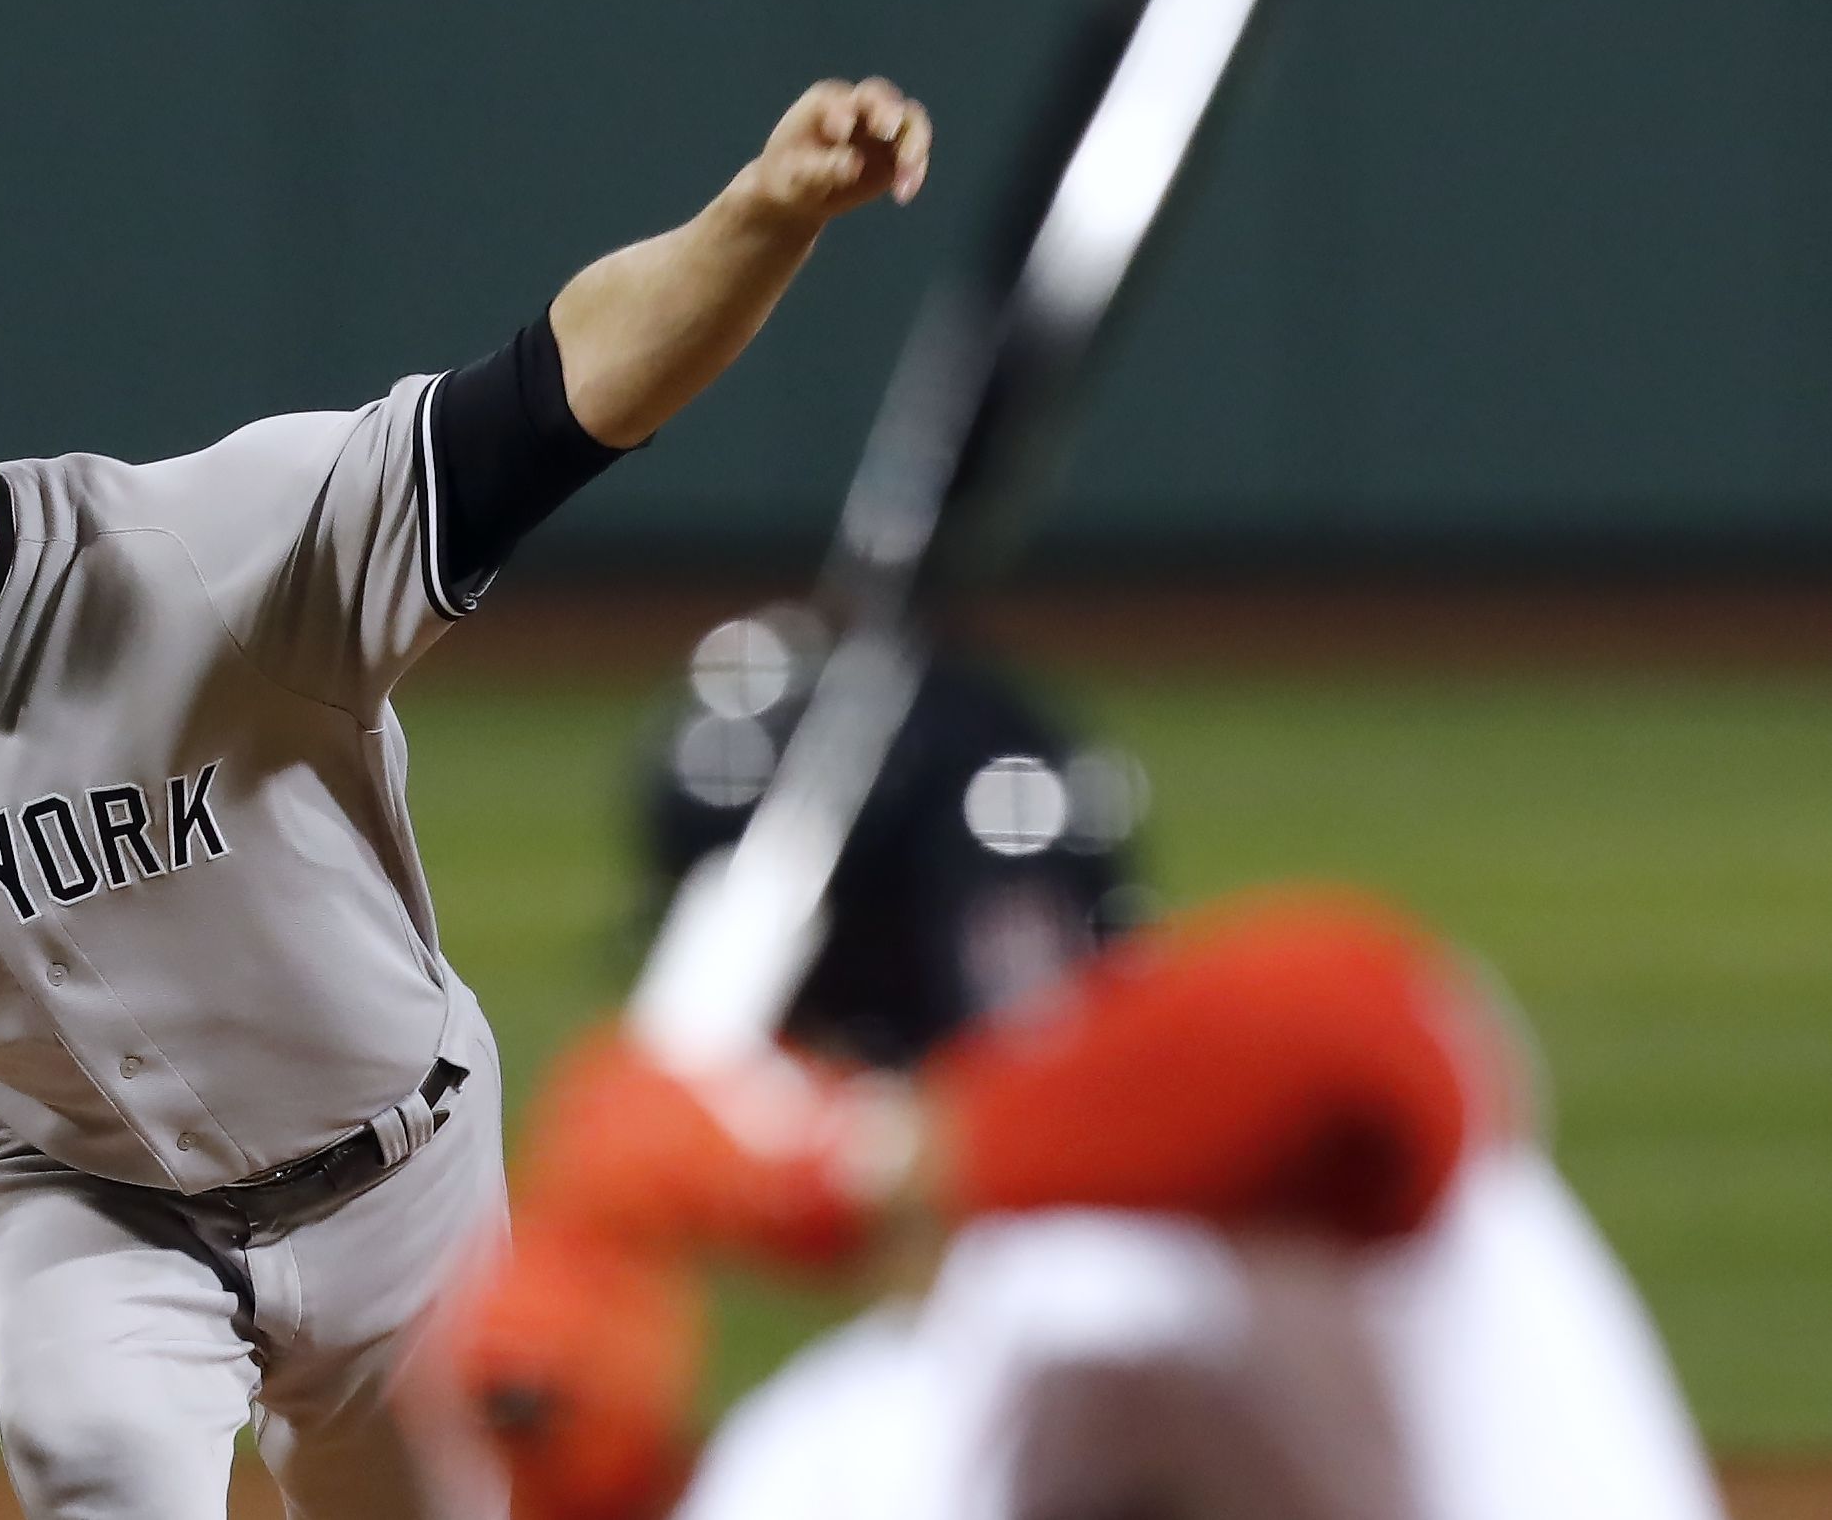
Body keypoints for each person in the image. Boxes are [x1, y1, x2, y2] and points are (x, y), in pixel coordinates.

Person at [0, 78, 934, 1520]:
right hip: (91, 1203)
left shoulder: (216, 548)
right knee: (102, 1464)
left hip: (402, 1173)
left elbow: (554, 399)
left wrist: (762, 212)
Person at [429, 642, 1725, 1520]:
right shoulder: (848, 1442)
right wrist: (576, 1462)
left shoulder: (1282, 1236)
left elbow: (1358, 1030)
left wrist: (859, 1158)